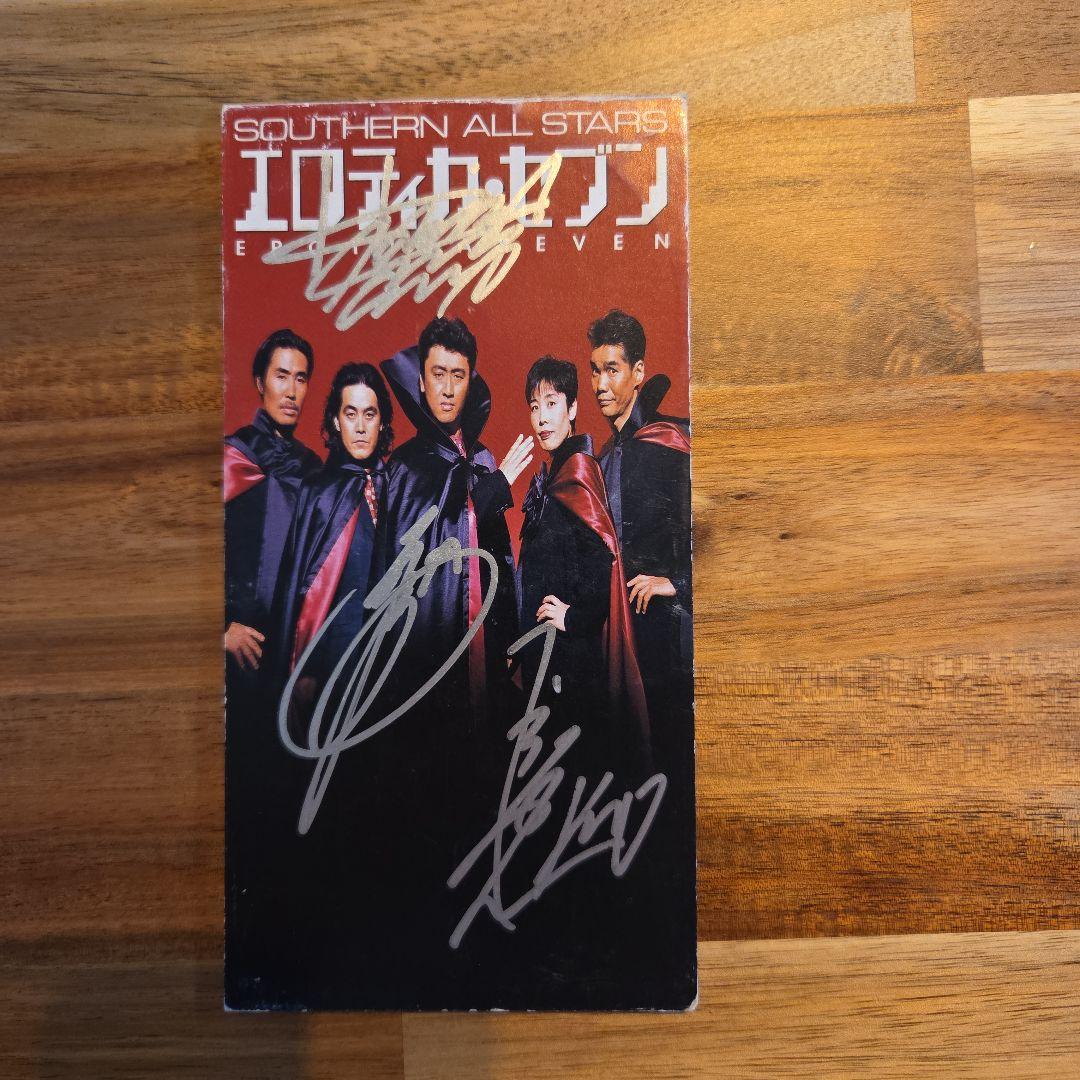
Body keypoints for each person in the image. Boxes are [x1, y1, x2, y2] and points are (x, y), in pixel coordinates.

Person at [380, 317, 533, 726]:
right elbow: (413, 563)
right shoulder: (405, 467)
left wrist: (511, 634)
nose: (448, 389)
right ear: (421, 382)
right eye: (438, 374)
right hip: (431, 648)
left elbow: (501, 556)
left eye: (458, 375)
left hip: (487, 641)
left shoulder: (483, 459)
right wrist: (493, 489)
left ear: (470, 383)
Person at [516, 355, 649, 773]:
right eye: (534, 407)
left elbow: (605, 565)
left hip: (569, 661)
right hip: (544, 654)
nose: (542, 418)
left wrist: (572, 618)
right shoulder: (554, 474)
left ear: (572, 408)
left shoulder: (578, 474)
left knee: (569, 771)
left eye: (551, 403)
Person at [588, 309, 692, 768]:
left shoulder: (672, 442)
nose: (600, 384)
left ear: (638, 372)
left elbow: (720, 534)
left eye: (612, 370)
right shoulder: (603, 457)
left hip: (663, 640)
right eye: (595, 371)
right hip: (616, 638)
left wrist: (677, 584)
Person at [224, 328, 322, 686]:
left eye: (300, 378)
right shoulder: (230, 457)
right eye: (281, 376)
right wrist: (220, 630)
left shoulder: (314, 471)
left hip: (289, 658)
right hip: (231, 655)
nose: (291, 391)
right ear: (260, 382)